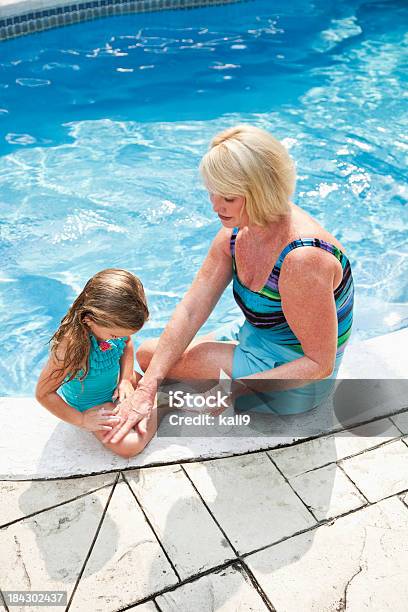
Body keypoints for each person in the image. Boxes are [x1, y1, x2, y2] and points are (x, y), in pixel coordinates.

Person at [103, 124, 354, 445]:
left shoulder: (303, 260)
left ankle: (177, 404)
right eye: (212, 192)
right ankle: (171, 395)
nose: (214, 205)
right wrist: (149, 385)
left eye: (228, 197)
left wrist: (236, 390)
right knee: (152, 360)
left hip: (296, 377)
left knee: (161, 364)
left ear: (261, 192)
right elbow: (192, 309)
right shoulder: (236, 233)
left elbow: (320, 364)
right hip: (258, 335)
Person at [35, 268, 160, 458]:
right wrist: (82, 420)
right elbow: (43, 393)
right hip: (93, 402)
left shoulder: (112, 328)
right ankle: (166, 406)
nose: (119, 338)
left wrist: (125, 379)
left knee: (153, 387)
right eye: (115, 335)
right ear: (89, 319)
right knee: (129, 446)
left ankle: (165, 401)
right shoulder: (70, 348)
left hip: (120, 384)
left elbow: (127, 344)